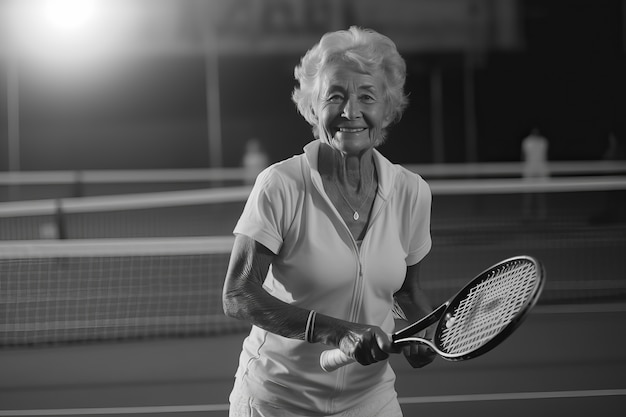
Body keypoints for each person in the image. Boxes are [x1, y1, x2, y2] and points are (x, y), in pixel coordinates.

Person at [222, 26, 436, 417]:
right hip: (278, 401)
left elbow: (406, 291)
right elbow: (238, 294)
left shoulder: (412, 192)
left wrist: (421, 331)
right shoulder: (281, 184)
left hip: (371, 401)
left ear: (387, 108)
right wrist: (337, 330)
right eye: (334, 96)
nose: (350, 112)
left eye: (367, 97)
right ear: (312, 108)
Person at [521, 127, 549, 220]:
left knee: (541, 195)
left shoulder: (543, 142)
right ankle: (526, 215)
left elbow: (545, 156)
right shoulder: (526, 142)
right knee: (528, 195)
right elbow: (524, 157)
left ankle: (542, 215)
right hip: (529, 170)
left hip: (541, 171)